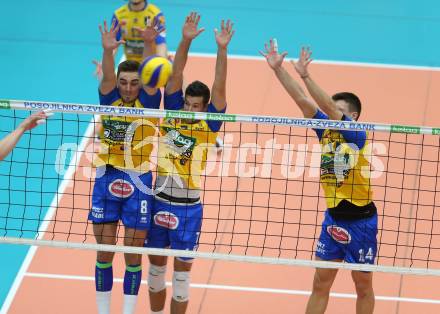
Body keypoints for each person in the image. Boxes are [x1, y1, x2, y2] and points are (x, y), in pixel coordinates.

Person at [260, 40, 377, 314]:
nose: (329, 114)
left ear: (354, 116)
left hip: (362, 222)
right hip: (333, 219)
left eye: (337, 111)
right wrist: (279, 70)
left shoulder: (358, 135)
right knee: (320, 283)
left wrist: (306, 74)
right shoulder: (325, 131)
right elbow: (303, 100)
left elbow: (328, 108)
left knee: (362, 286)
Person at [145, 12, 234, 314]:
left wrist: (221, 49)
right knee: (155, 274)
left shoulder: (209, 124)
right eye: (188, 103)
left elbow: (219, 87)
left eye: (197, 106)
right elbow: (175, 74)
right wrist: (185, 40)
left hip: (188, 207)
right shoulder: (172, 111)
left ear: (206, 107)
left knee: (181, 278)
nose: (190, 109)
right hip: (158, 200)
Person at [88, 19, 163, 314]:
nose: (129, 88)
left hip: (139, 180)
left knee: (133, 256)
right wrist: (108, 52)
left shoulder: (147, 100)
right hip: (107, 175)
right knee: (104, 252)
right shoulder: (108, 97)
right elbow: (107, 74)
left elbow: (150, 73)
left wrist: (148, 44)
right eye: (123, 82)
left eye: (134, 83)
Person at [93, 0, 167, 80]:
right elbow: (114, 44)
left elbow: (161, 44)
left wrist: (161, 65)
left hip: (150, 63)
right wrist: (105, 63)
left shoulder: (155, 14)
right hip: (130, 64)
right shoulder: (119, 15)